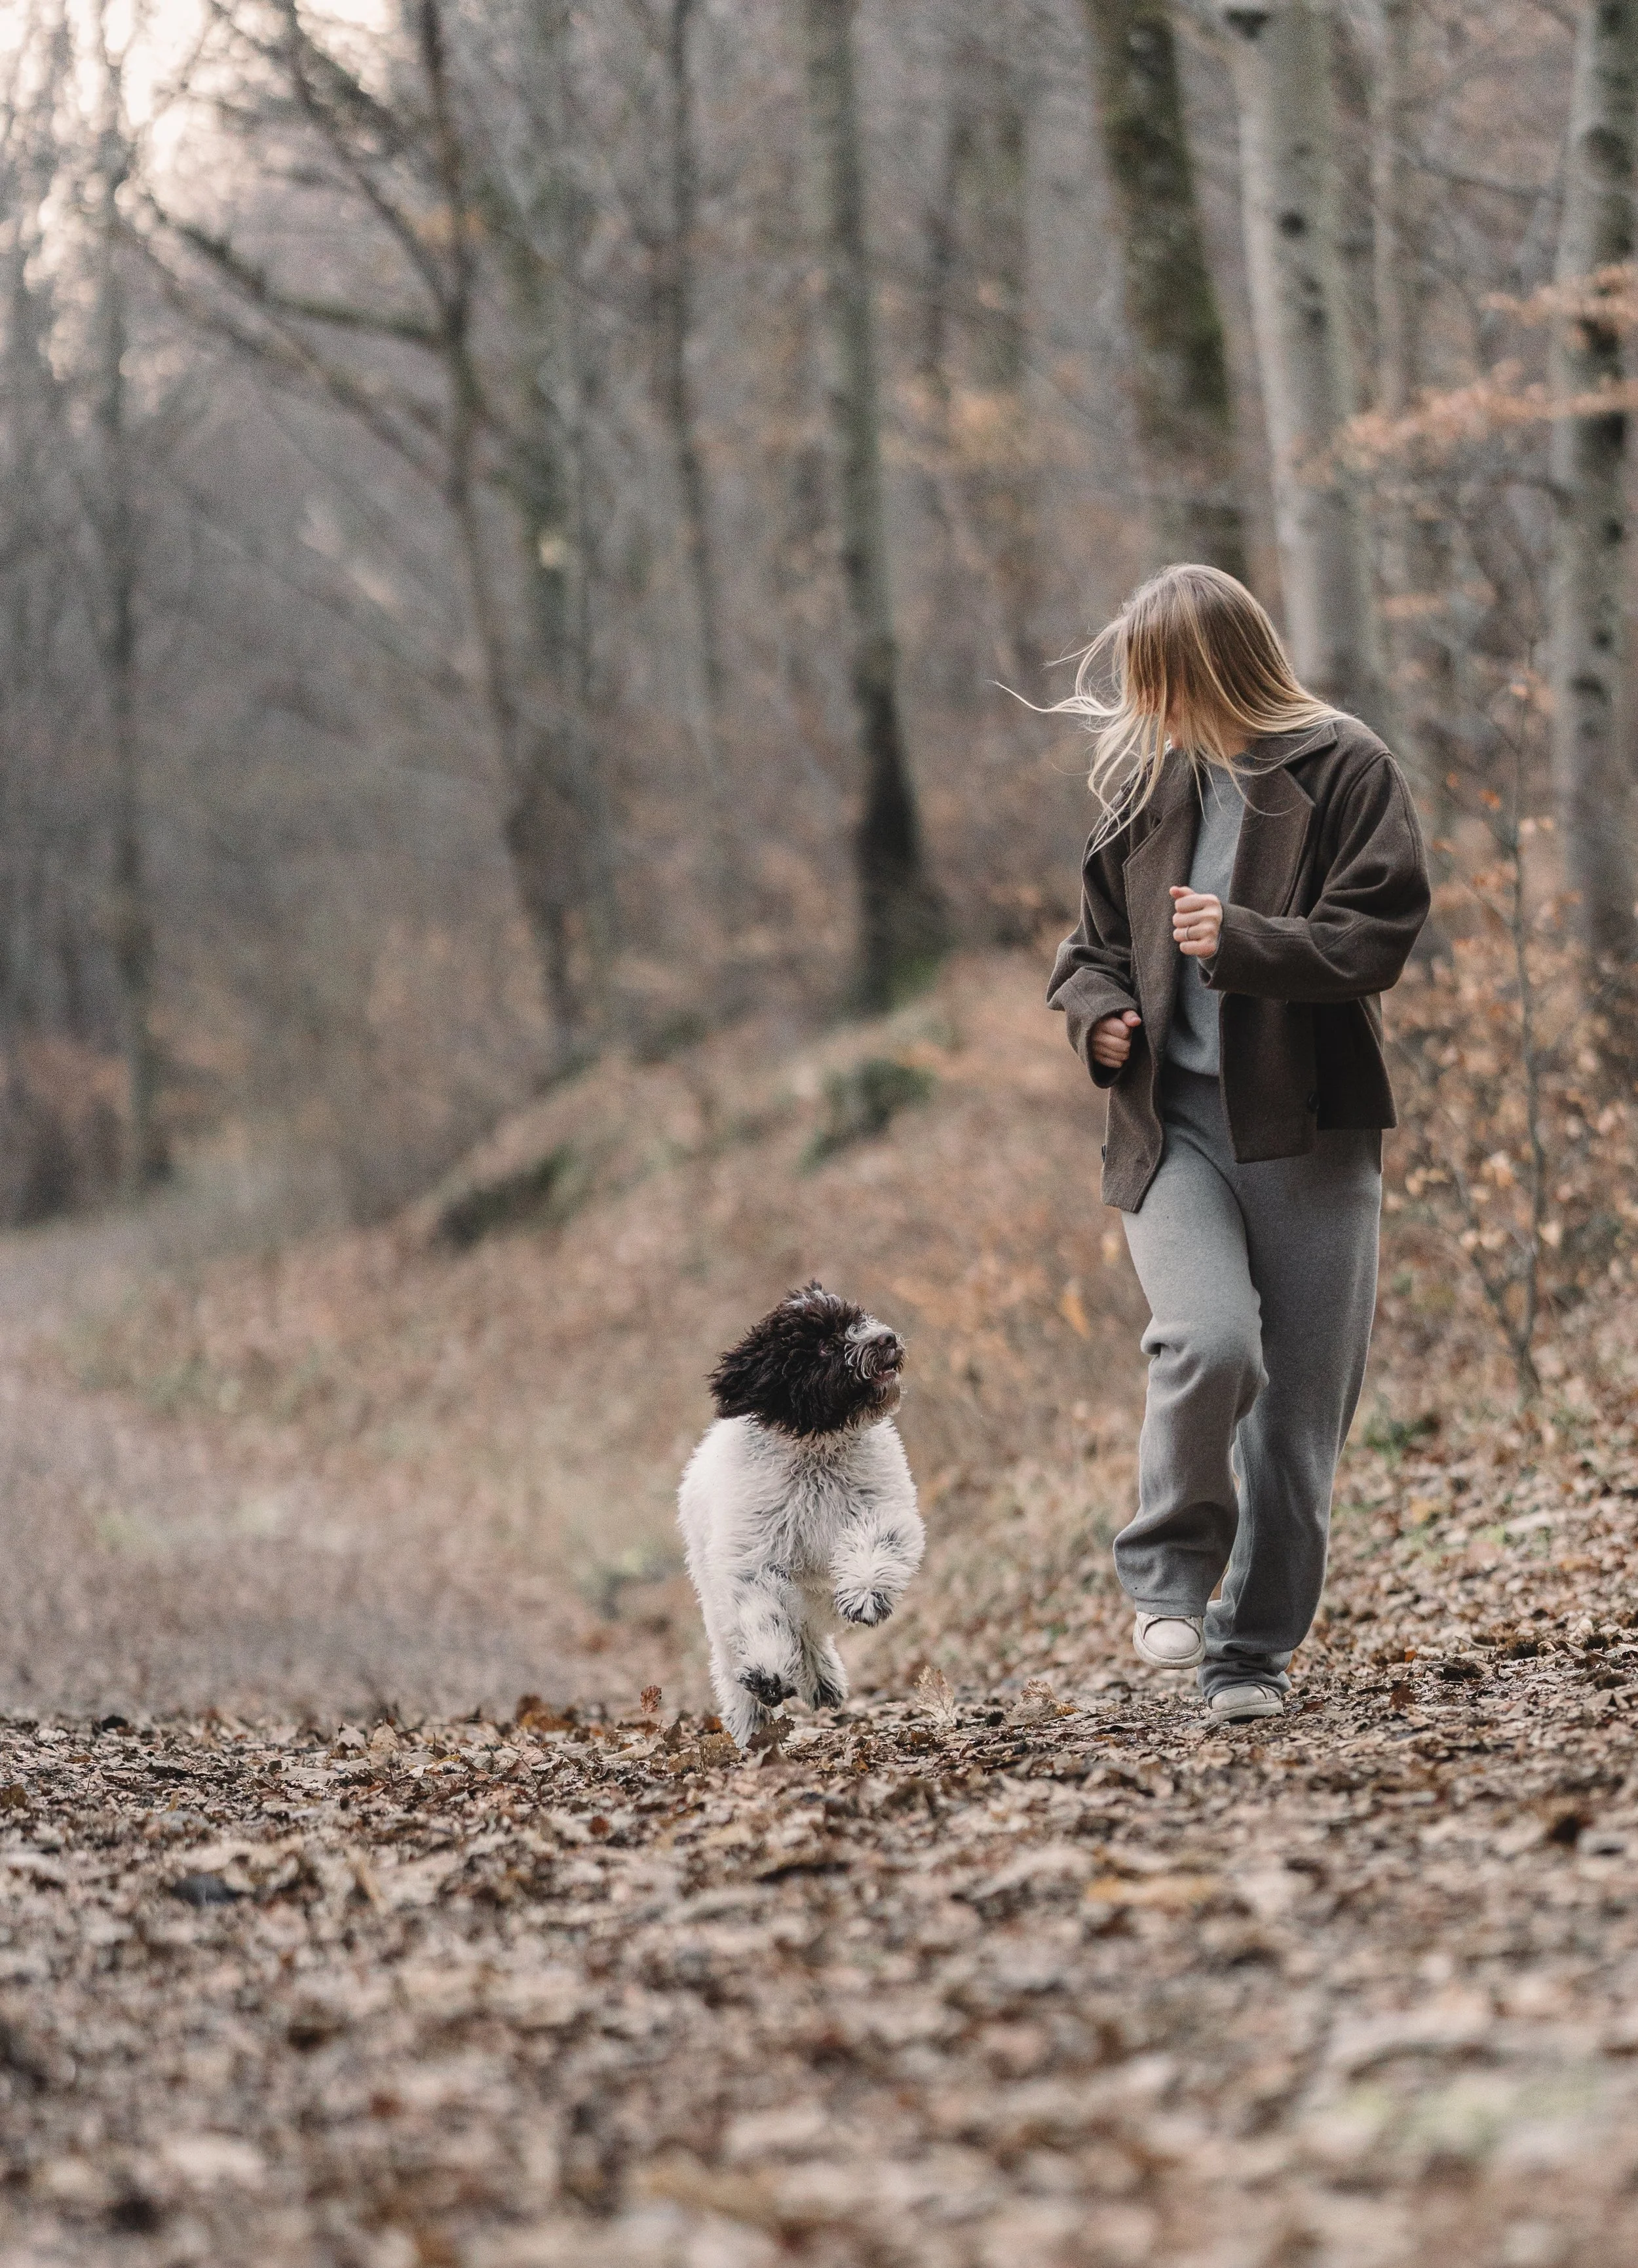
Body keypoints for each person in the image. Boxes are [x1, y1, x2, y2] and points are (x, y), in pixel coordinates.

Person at [1046, 564, 1430, 1723]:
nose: (1145, 710)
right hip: (1174, 1131)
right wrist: (1097, 1019)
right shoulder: (1146, 785)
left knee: (1297, 1429)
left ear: (1216, 670)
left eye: (1159, 684)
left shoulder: (1346, 766)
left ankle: (1248, 1658)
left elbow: (1378, 935)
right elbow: (1088, 950)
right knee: (1207, 1341)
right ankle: (1167, 1575)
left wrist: (1248, 940)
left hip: (1307, 1131)